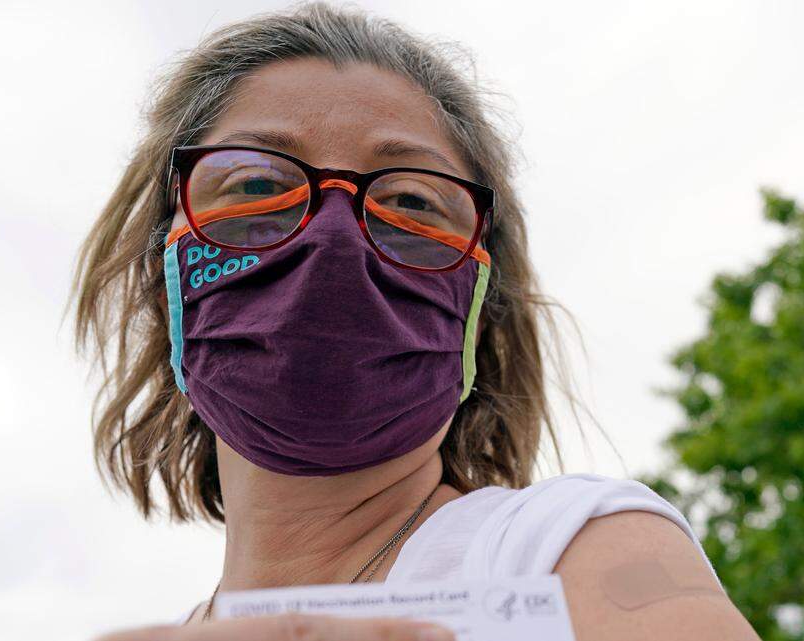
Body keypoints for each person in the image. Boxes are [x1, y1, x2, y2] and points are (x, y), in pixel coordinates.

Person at [73, 3, 760, 640]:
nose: (333, 240)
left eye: (411, 201)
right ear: (162, 279)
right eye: (256, 186)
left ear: (480, 309)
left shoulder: (563, 550)